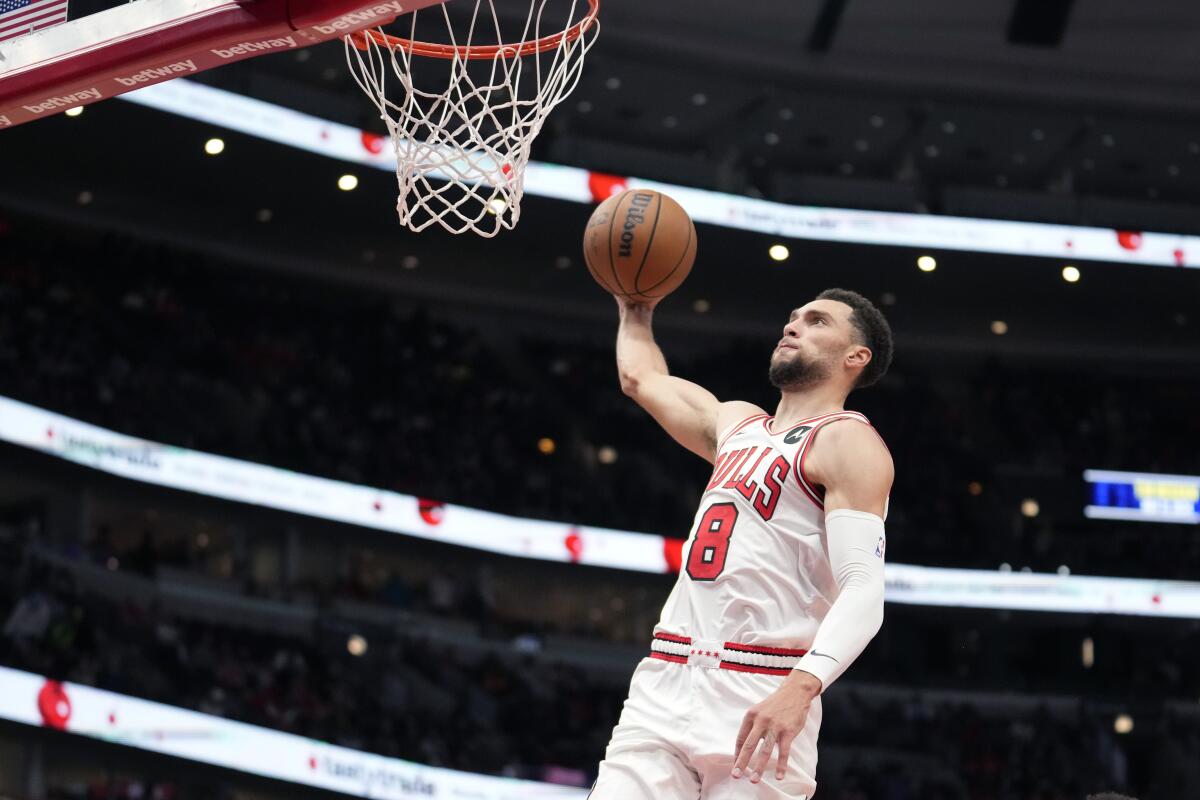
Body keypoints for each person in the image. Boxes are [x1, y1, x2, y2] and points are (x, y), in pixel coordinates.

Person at [590, 288, 895, 800]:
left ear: (855, 357)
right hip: (667, 676)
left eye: (816, 321)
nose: (793, 325)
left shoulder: (847, 440)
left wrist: (802, 687)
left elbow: (864, 588)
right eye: (792, 316)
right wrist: (635, 307)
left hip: (764, 685)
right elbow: (641, 379)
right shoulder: (736, 424)